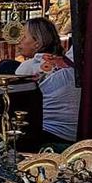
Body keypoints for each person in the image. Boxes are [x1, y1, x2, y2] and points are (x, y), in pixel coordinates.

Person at [12, 17, 78, 145]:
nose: (19, 41)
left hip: (47, 133)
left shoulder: (27, 67)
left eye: (24, 37)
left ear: (37, 43)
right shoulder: (69, 63)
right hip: (74, 133)